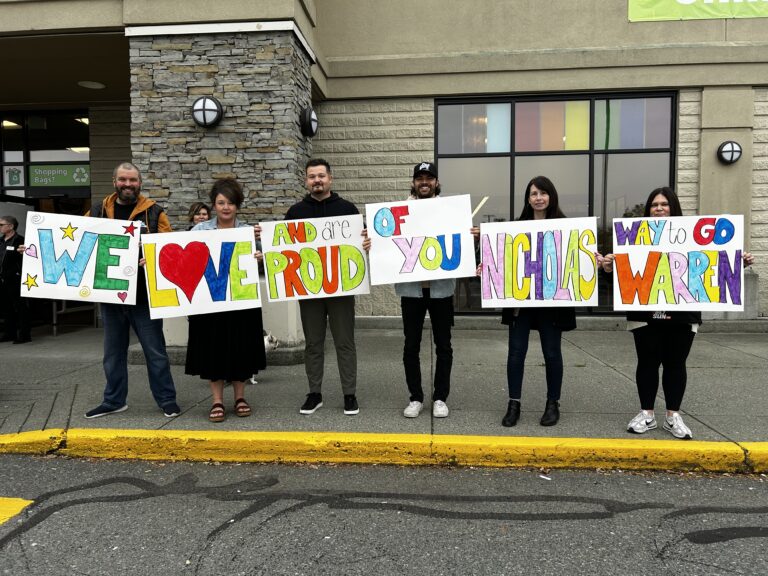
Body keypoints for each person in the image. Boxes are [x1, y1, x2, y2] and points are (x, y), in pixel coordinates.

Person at [599, 187, 754, 439]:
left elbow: (710, 267)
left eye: (664, 204)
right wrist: (608, 268)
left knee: (675, 364)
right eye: (654, 205)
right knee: (647, 364)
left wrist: (736, 262)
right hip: (645, 313)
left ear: (674, 207)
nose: (659, 208)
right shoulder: (634, 240)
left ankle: (673, 416)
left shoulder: (693, 237)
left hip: (683, 314)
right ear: (648, 210)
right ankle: (647, 415)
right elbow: (620, 281)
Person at [84, 162, 180, 419]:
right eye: (123, 180)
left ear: (140, 182)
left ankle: (167, 399)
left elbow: (168, 249)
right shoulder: (97, 211)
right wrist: (38, 251)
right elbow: (77, 243)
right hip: (110, 295)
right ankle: (114, 400)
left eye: (133, 180)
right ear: (114, 181)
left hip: (144, 296)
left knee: (155, 351)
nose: (128, 184)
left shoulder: (155, 212)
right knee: (113, 354)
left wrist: (155, 256)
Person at [185, 178, 267, 422]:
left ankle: (240, 397)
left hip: (241, 300)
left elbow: (267, 262)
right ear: (214, 204)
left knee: (240, 346)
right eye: (221, 202)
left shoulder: (249, 232)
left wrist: (260, 256)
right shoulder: (199, 231)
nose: (226, 207)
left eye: (231, 202)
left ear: (238, 205)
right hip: (210, 301)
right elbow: (187, 261)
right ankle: (217, 401)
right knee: (214, 349)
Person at [284, 158, 360, 416]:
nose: (317, 180)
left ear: (330, 178)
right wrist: (266, 248)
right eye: (312, 177)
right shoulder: (295, 213)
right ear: (306, 181)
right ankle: (314, 393)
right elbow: (283, 251)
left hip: (341, 289)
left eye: (321, 176)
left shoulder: (348, 210)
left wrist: (367, 245)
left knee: (344, 342)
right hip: (309, 290)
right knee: (313, 343)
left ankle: (349, 395)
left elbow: (359, 247)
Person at [498, 176, 576, 428]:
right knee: (515, 353)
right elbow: (503, 259)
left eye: (543, 193)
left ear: (551, 196)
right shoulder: (516, 227)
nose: (538, 198)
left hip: (552, 303)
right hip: (522, 301)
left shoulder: (567, 227)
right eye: (533, 194)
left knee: (552, 353)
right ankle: (513, 404)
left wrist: (590, 258)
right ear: (527, 199)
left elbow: (574, 261)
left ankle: (553, 404)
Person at [395, 162, 456, 418]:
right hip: (412, 291)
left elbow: (458, 240)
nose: (424, 182)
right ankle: (416, 397)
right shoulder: (398, 213)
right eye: (419, 178)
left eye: (429, 178)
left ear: (436, 183)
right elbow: (387, 244)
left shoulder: (450, 211)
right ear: (413, 183)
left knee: (444, 345)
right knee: (411, 346)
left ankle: (440, 397)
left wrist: (470, 235)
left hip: (441, 289)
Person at [0, 215, 31, 344]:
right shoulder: (1, 241)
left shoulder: (20, 241)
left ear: (11, 226)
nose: (0, 227)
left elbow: (27, 259)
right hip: (2, 278)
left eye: (2, 224)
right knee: (6, 307)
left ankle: (24, 335)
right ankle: (9, 333)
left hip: (15, 278)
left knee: (20, 306)